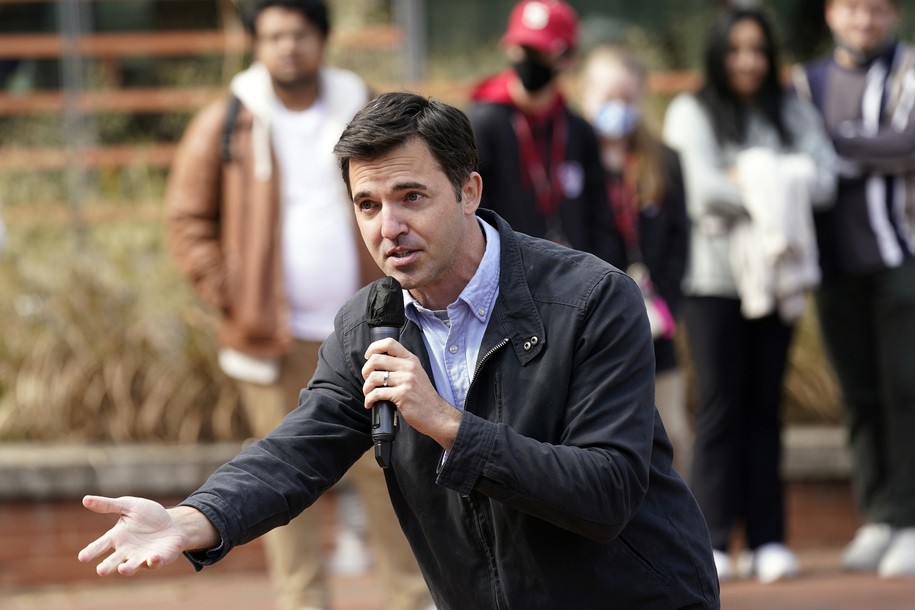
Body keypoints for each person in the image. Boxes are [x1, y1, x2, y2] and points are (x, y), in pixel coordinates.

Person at [79, 91, 720, 610]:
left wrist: (445, 423)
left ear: (469, 191)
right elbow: (298, 450)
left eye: (411, 197)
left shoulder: (590, 300)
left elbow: (605, 492)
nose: (389, 228)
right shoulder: (369, 322)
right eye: (367, 204)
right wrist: (193, 521)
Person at [163, 2, 431, 609]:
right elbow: (186, 219)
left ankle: (412, 601)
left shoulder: (364, 106)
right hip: (271, 344)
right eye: (274, 35)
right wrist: (234, 298)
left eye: (300, 34)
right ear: (256, 43)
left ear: (322, 39)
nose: (288, 47)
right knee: (276, 487)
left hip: (372, 331)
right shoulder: (229, 118)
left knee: (392, 474)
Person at [662, 7, 837, 584]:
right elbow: (702, 191)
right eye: (737, 49)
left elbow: (826, 177)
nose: (748, 60)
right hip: (714, 285)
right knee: (719, 406)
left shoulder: (790, 109)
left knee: (766, 406)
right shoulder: (690, 111)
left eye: (758, 49)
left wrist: (753, 174)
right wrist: (780, 181)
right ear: (718, 53)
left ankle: (769, 538)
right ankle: (711, 536)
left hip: (779, 280)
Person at [793, 0, 915, 579]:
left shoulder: (908, 69)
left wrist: (835, 143)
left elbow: (909, 145)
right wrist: (871, 145)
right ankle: (879, 516)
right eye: (853, 9)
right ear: (831, 14)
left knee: (906, 387)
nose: (864, 20)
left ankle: (911, 521)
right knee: (859, 392)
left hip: (898, 258)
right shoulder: (806, 81)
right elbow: (798, 147)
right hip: (832, 265)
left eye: (877, 9)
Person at [579, 44, 692, 479]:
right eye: (607, 97)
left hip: (654, 329)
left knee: (673, 437)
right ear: (586, 95)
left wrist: (667, 306)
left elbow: (681, 240)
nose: (617, 109)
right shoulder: (571, 160)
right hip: (594, 331)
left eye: (626, 98)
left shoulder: (663, 162)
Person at [467, 0, 623, 263]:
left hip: (572, 277)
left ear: (568, 59)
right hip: (505, 277)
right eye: (523, 49)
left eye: (540, 52)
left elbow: (600, 217)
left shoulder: (577, 130)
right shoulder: (481, 124)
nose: (529, 60)